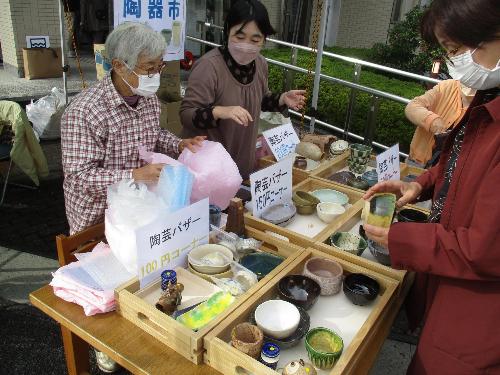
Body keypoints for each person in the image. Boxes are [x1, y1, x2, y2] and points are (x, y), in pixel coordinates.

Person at [363, 0, 500, 373]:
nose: (453, 61)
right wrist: (419, 185)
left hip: (480, 312)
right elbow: (461, 164)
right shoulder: (488, 100)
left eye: (455, 50)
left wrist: (399, 238)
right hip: (453, 281)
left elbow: (483, 250)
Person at [61, 22, 204, 235]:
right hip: (97, 220)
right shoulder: (85, 111)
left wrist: (179, 144)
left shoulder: (147, 98)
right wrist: (134, 175)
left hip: (140, 210)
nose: (156, 75)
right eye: (148, 68)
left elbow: (153, 135)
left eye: (159, 67)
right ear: (119, 65)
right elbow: (80, 177)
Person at [180, 0, 306, 179]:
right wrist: (219, 111)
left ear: (264, 40)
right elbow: (186, 115)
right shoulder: (209, 66)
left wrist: (282, 99)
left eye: (255, 40)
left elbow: (259, 100)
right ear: (227, 32)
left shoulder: (261, 64)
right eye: (239, 37)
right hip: (208, 169)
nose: (246, 45)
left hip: (242, 159)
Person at [405, 79, 475, 167]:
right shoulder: (447, 86)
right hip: (417, 161)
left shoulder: (489, 101)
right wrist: (432, 120)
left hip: (449, 170)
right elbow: (412, 107)